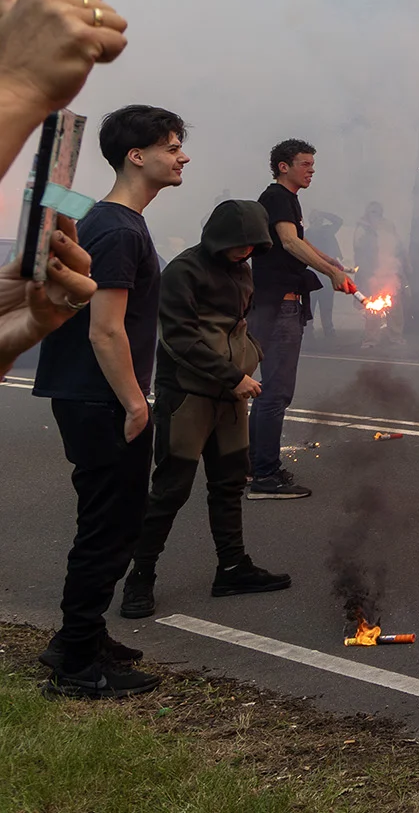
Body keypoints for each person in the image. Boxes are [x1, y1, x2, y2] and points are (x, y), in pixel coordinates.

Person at [31, 105, 185, 697]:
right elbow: (105, 329)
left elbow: (52, 199)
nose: (183, 155)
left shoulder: (99, 216)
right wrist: (136, 404)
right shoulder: (119, 228)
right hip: (104, 402)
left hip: (85, 396)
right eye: (172, 146)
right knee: (110, 528)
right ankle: (76, 665)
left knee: (104, 522)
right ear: (136, 155)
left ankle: (79, 639)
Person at [121, 200, 291, 621]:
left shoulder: (243, 268)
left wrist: (252, 356)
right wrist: (233, 376)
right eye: (240, 246)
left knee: (230, 482)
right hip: (187, 396)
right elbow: (179, 339)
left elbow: (239, 326)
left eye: (254, 247)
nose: (246, 254)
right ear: (220, 238)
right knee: (171, 490)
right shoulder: (183, 271)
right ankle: (139, 579)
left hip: (230, 400)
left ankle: (232, 569)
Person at [0, 0, 124, 376]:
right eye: (172, 147)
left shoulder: (113, 219)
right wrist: (19, 88)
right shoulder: (111, 223)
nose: (184, 159)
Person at [247, 140, 356, 500]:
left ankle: (255, 468)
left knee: (270, 392)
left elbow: (298, 241)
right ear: (283, 166)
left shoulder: (287, 200)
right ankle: (264, 476)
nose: (311, 170)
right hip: (279, 306)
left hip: (277, 304)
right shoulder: (278, 197)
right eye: (304, 164)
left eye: (313, 164)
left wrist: (331, 262)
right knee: (275, 392)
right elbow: (290, 243)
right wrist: (330, 273)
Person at [352, 201, 403, 347]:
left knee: (395, 307)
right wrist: (364, 274)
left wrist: (402, 267)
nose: (376, 215)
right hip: (371, 274)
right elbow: (359, 252)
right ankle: (371, 339)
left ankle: (395, 337)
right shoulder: (362, 228)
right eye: (372, 212)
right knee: (372, 309)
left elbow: (398, 246)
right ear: (367, 213)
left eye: (378, 211)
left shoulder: (388, 226)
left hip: (389, 271)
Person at [304, 210, 344, 339]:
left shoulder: (327, 231)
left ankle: (328, 330)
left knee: (326, 305)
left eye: (319, 219)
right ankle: (308, 330)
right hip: (311, 273)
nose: (318, 221)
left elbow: (339, 221)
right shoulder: (306, 235)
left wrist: (323, 213)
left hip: (326, 274)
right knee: (310, 305)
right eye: (315, 218)